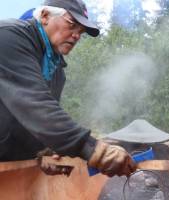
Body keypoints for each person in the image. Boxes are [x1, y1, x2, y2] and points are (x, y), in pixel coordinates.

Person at [0, 0, 136, 177]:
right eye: (72, 25)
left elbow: (35, 122)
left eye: (81, 32)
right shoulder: (8, 37)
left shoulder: (56, 72)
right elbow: (35, 106)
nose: (77, 35)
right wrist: (94, 150)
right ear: (45, 16)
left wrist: (43, 151)